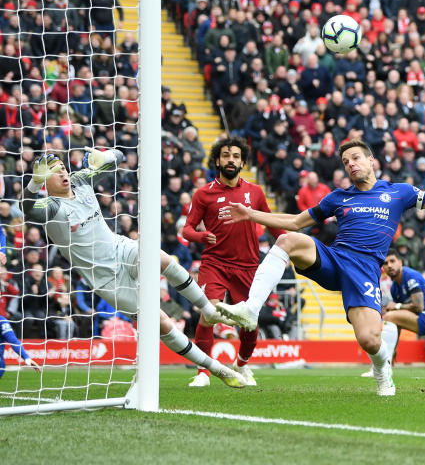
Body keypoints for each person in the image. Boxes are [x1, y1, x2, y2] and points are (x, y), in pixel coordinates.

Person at [216, 140, 425, 396]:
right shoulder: (338, 197)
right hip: (335, 259)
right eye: (346, 162)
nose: (351, 164)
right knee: (288, 240)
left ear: (371, 161)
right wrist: (251, 214)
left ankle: (382, 368)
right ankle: (250, 310)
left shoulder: (398, 192)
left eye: (355, 158)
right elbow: (295, 222)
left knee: (369, 339)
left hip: (364, 271)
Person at [23, 151, 245, 388]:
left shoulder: (80, 180)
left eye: (62, 168)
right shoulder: (51, 206)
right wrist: (34, 183)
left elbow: (119, 157)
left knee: (159, 257)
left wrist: (103, 155)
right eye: (54, 172)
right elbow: (27, 208)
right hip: (106, 278)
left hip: (120, 248)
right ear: (45, 181)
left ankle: (208, 310)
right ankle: (216, 368)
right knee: (159, 321)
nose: (62, 174)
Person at [182, 136, 283, 388]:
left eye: (236, 156)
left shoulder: (255, 192)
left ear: (242, 162)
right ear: (217, 160)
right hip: (214, 263)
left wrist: (289, 246)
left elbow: (271, 224)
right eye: (226, 155)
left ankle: (241, 365)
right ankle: (203, 373)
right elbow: (187, 230)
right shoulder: (203, 193)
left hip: (248, 267)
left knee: (250, 324)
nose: (231, 160)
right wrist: (201, 236)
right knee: (209, 313)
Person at [1, 314, 41, 379]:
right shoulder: (1, 320)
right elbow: (13, 340)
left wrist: (26, 358)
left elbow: (13, 340)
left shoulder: (1, 321)